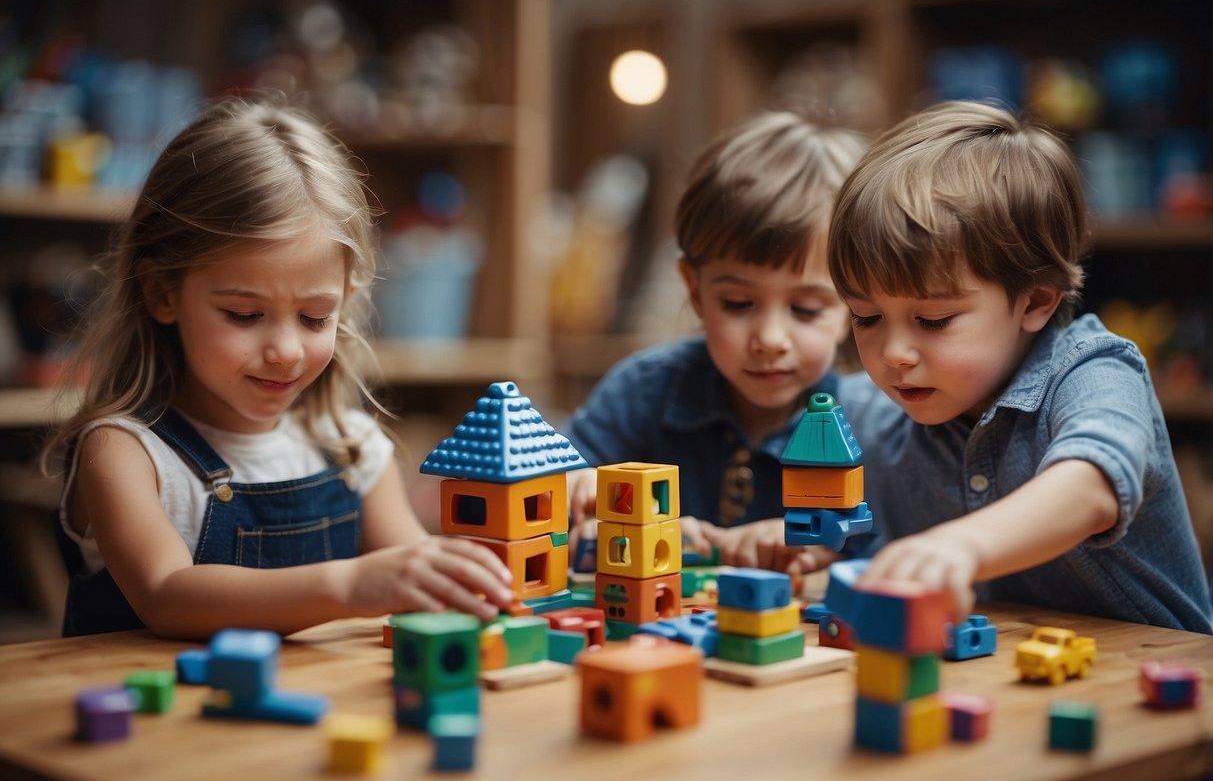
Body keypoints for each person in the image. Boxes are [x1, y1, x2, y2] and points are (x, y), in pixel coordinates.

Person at [42, 97, 514, 639]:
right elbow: (165, 594)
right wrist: (350, 586)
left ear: (346, 299)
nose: (287, 350)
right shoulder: (126, 451)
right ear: (161, 292)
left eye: (315, 318)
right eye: (245, 315)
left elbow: (417, 579)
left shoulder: (353, 448)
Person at [829, 99, 1212, 633]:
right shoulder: (869, 411)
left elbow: (1092, 487)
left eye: (934, 319)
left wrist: (964, 545)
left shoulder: (1095, 371)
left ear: (1035, 302)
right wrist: (788, 540)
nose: (893, 353)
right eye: (866, 317)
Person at [565, 110, 876, 575]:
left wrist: (819, 546)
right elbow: (551, 495)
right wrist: (584, 496)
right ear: (694, 289)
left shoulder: (874, 420)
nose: (770, 340)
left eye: (807, 309)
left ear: (855, 302)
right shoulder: (645, 390)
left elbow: (893, 554)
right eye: (737, 302)